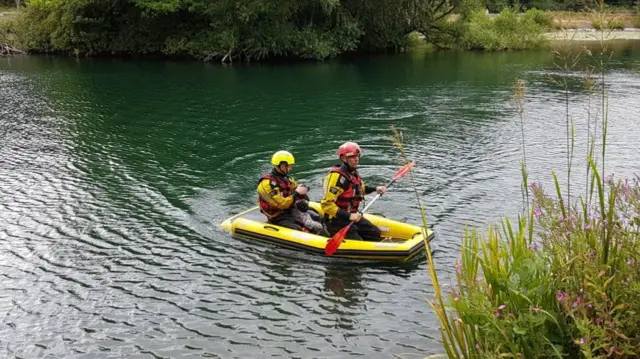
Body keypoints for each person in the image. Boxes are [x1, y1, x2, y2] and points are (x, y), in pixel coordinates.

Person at [320, 142, 387, 240]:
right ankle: (328, 232)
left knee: (375, 233)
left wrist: (375, 189)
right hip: (336, 220)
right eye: (352, 156)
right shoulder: (336, 177)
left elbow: (360, 190)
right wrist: (349, 215)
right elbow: (327, 205)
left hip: (352, 216)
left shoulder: (353, 173)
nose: (356, 159)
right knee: (358, 241)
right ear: (343, 158)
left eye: (357, 156)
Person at [257, 150, 325, 234]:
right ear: (282, 166)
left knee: (318, 217)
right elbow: (282, 204)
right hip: (277, 216)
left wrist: (303, 191)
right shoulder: (266, 184)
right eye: (289, 166)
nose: (291, 168)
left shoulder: (287, 179)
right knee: (297, 229)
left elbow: (295, 189)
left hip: (291, 209)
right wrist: (296, 193)